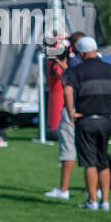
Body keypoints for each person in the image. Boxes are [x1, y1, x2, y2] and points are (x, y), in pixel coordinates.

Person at [64, 36, 111, 211]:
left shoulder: (77, 71)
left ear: (81, 53)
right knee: (103, 160)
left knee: (89, 162)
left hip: (86, 120)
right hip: (105, 121)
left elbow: (68, 90)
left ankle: (92, 200)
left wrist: (71, 111)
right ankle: (106, 201)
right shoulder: (110, 69)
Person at [43, 43, 76, 201]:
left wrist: (70, 112)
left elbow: (67, 90)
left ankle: (64, 189)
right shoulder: (81, 67)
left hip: (72, 112)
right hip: (90, 111)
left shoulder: (68, 71)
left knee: (68, 150)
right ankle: (97, 191)